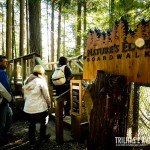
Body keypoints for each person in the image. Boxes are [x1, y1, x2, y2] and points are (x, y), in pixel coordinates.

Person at [22, 65, 51, 150]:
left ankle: (32, 143)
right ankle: (42, 135)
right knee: (44, 118)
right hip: (39, 106)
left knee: (32, 124)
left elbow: (25, 94)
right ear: (41, 72)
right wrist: (49, 104)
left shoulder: (26, 80)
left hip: (29, 106)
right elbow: (46, 94)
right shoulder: (41, 81)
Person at [0, 55, 13, 146]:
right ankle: (1, 138)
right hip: (3, 100)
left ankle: (4, 134)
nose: (7, 63)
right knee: (2, 121)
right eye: (5, 62)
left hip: (4, 100)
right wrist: (10, 98)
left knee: (9, 115)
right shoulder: (1, 73)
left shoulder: (2, 72)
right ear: (0, 62)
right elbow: (5, 88)